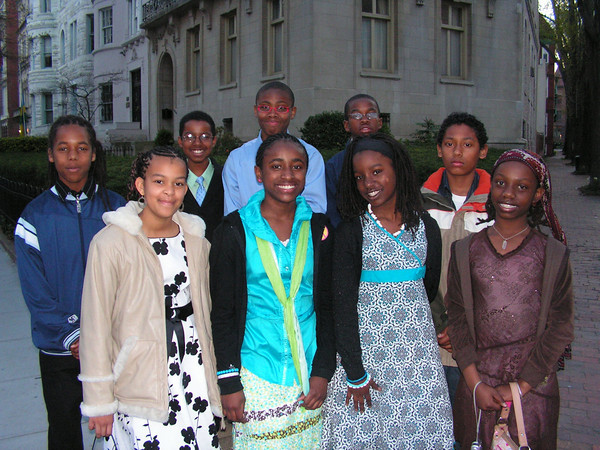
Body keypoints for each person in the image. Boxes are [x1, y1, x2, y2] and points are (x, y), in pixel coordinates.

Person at [79, 147, 221, 449]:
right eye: (159, 181)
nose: (169, 191)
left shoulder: (195, 239)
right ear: (141, 186)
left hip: (192, 365)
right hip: (140, 374)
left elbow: (206, 309)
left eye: (178, 183)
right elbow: (95, 325)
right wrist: (99, 400)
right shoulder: (111, 243)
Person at [321, 133, 454, 449]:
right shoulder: (352, 231)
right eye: (359, 177)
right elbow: (342, 305)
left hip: (417, 360)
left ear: (398, 169)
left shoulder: (426, 227)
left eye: (377, 171)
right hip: (366, 360)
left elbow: (427, 288)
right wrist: (355, 372)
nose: (368, 182)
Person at [210, 133, 335, 447]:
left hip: (308, 374)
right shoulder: (233, 230)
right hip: (255, 370)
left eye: (297, 166)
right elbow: (223, 313)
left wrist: (323, 370)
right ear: (259, 173)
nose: (287, 175)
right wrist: (229, 382)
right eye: (276, 166)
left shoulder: (319, 228)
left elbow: (327, 304)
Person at [446, 149, 573, 449]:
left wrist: (521, 385)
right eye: (501, 183)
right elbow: (458, 319)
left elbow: (560, 326)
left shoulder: (552, 255)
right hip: (477, 385)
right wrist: (474, 382)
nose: (509, 193)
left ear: (538, 194)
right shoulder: (465, 250)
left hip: (532, 390)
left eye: (522, 186)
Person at [14, 115, 126, 450]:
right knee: (64, 431)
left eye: (82, 148)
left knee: (121, 430)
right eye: (63, 148)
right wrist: (74, 334)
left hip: (112, 346)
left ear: (94, 153)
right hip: (61, 350)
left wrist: (103, 331)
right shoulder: (34, 217)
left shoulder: (117, 210)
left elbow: (131, 278)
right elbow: (35, 291)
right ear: (51, 154)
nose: (73, 156)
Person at [420, 112, 491, 405]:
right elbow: (416, 268)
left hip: (480, 338)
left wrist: (465, 326)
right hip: (432, 336)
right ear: (439, 149)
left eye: (468, 144)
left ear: (483, 151)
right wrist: (441, 324)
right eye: (449, 144)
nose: (457, 152)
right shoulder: (419, 202)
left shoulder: (497, 205)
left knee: (473, 417)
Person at [222, 81, 326, 215]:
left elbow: (315, 209)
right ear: (256, 110)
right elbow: (232, 213)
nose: (272, 113)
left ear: (292, 112)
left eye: (281, 108)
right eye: (265, 107)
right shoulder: (237, 159)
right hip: (246, 228)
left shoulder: (311, 155)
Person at [325, 94, 382, 227]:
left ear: (380, 122)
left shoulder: (395, 158)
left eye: (371, 114)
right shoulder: (334, 165)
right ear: (346, 125)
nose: (364, 120)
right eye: (356, 116)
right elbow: (331, 210)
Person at [178, 110, 224, 242]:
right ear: (180, 141)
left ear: (214, 140)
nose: (197, 143)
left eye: (205, 136)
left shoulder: (227, 179)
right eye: (189, 136)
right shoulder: (172, 183)